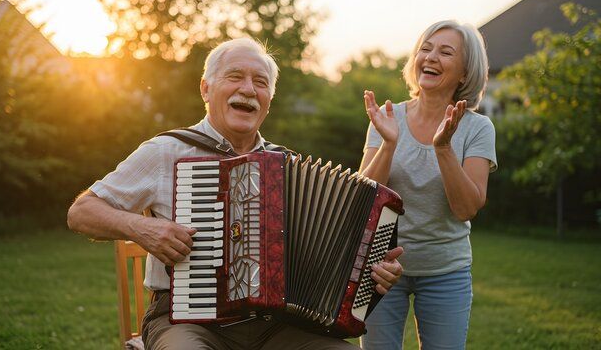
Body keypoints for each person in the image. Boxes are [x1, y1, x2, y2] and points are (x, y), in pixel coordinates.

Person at [67, 37, 404, 350]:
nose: (248, 89)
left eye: (260, 83)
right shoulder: (167, 151)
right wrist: (142, 228)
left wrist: (369, 273)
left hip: (276, 325)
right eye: (235, 76)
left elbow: (336, 250)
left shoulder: (284, 165)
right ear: (206, 88)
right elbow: (81, 212)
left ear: (269, 101)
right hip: (185, 320)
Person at [358, 20, 498, 350]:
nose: (431, 57)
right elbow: (362, 200)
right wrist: (390, 144)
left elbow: (466, 208)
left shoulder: (478, 128)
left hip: (445, 271)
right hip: (380, 268)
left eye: (445, 52)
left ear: (465, 72)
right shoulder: (387, 117)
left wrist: (444, 147)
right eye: (425, 48)